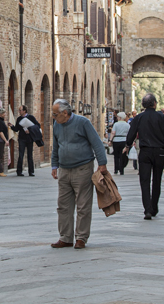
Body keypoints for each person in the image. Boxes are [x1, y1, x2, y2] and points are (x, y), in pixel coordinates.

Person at [50, 99, 108, 249]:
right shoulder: (57, 124)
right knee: (63, 205)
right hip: (64, 169)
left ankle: (81, 237)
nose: (53, 117)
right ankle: (65, 237)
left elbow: (96, 143)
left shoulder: (83, 123)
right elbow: (56, 145)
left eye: (55, 114)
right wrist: (54, 165)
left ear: (65, 113)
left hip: (83, 169)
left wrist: (102, 163)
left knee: (83, 205)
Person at [125, 94, 164, 220]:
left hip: (145, 151)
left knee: (145, 181)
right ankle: (154, 207)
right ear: (154, 104)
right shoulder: (161, 117)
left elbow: (131, 134)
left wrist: (127, 145)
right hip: (159, 152)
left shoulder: (139, 117)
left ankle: (147, 209)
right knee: (157, 180)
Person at [9, 105, 40, 177]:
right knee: (21, 155)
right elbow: (17, 129)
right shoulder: (19, 119)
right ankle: (19, 171)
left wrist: (30, 130)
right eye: (19, 110)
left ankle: (31, 171)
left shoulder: (31, 117)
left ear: (24, 111)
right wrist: (12, 126)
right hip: (22, 138)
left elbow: (37, 126)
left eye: (20, 110)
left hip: (29, 138)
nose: (19, 111)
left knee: (30, 155)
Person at [0, 108, 9, 176]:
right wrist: (6, 140)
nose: (4, 114)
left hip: (0, 141)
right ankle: (0, 171)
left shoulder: (0, 121)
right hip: (0, 141)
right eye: (3, 113)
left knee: (0, 155)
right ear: (0, 114)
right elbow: (0, 132)